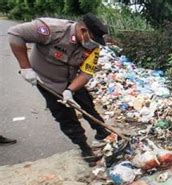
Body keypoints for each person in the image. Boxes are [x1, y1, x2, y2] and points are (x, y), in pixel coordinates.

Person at [8, 13, 110, 166]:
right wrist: (25, 68)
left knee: (88, 106)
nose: (94, 45)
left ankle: (102, 132)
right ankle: (84, 148)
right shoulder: (52, 30)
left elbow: (86, 73)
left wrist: (70, 90)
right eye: (93, 41)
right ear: (83, 30)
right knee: (65, 116)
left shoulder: (93, 47)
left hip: (72, 79)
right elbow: (15, 34)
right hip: (48, 82)